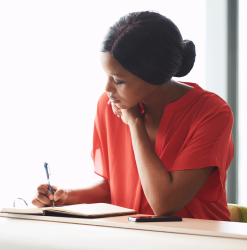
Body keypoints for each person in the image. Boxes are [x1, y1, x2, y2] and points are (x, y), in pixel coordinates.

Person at [32, 11, 234, 221]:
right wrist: (67, 197)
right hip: (132, 236)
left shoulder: (211, 113)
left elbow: (164, 204)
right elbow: (117, 187)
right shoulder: (110, 104)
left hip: (200, 238)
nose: (107, 88)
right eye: (107, 76)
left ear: (153, 76)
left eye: (118, 80)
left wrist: (135, 123)